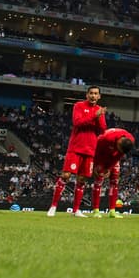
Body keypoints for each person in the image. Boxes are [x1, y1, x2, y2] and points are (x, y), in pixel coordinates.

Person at [48, 85, 106, 217]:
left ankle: (76, 210)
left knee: (82, 180)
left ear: (99, 96)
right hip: (76, 147)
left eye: (96, 93)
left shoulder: (99, 110)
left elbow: (102, 129)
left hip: (91, 149)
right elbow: (77, 122)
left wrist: (98, 117)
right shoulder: (79, 106)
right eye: (91, 93)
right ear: (87, 95)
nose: (93, 96)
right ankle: (53, 206)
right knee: (66, 175)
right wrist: (93, 116)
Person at [89, 127, 134, 218]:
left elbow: (119, 155)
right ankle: (96, 210)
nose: (119, 151)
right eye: (119, 149)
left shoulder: (130, 140)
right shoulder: (106, 138)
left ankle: (112, 211)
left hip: (113, 158)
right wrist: (94, 165)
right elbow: (96, 151)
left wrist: (109, 168)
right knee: (99, 180)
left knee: (115, 181)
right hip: (101, 156)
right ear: (119, 142)